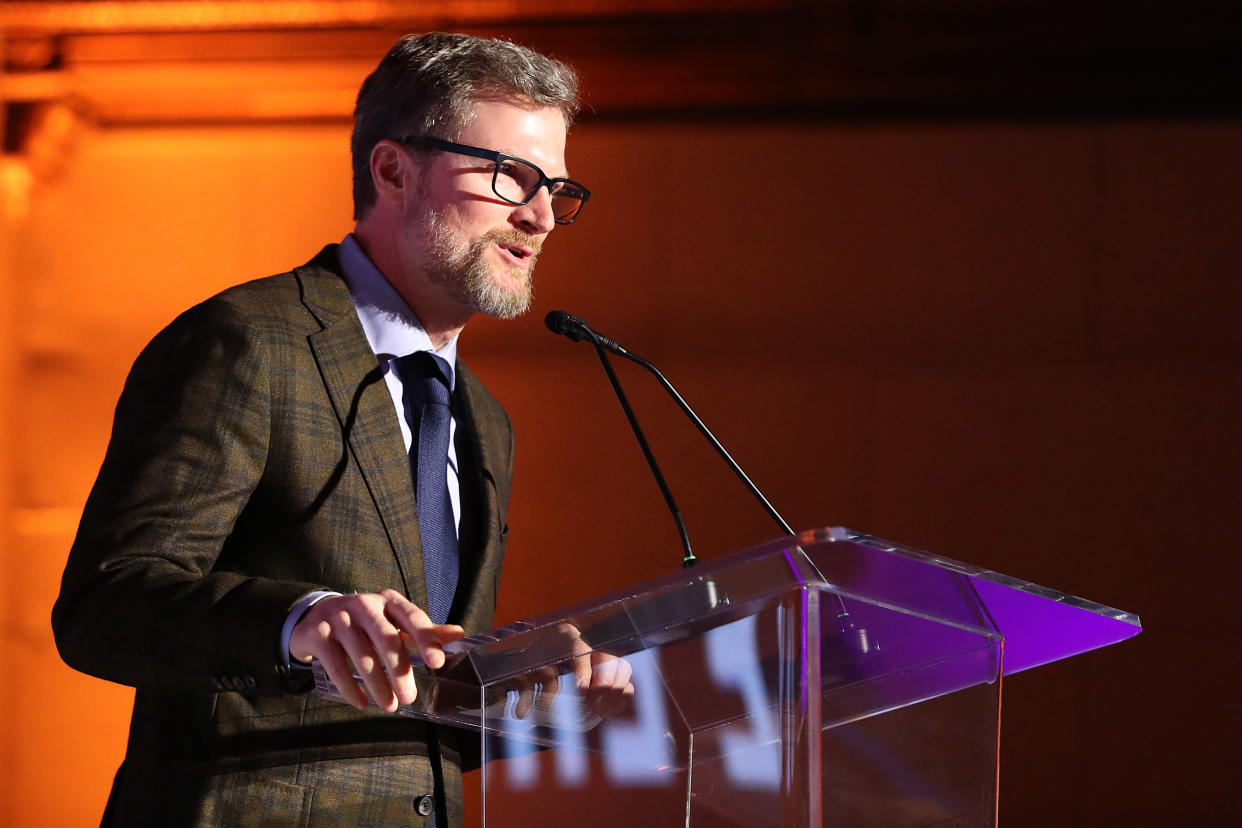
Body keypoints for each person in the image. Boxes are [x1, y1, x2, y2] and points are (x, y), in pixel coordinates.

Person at [52, 32, 597, 827]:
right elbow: (102, 609)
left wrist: (532, 693)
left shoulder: (486, 420)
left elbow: (419, 709)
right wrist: (298, 619)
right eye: (508, 174)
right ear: (392, 171)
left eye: (554, 185)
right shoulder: (250, 340)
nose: (542, 215)